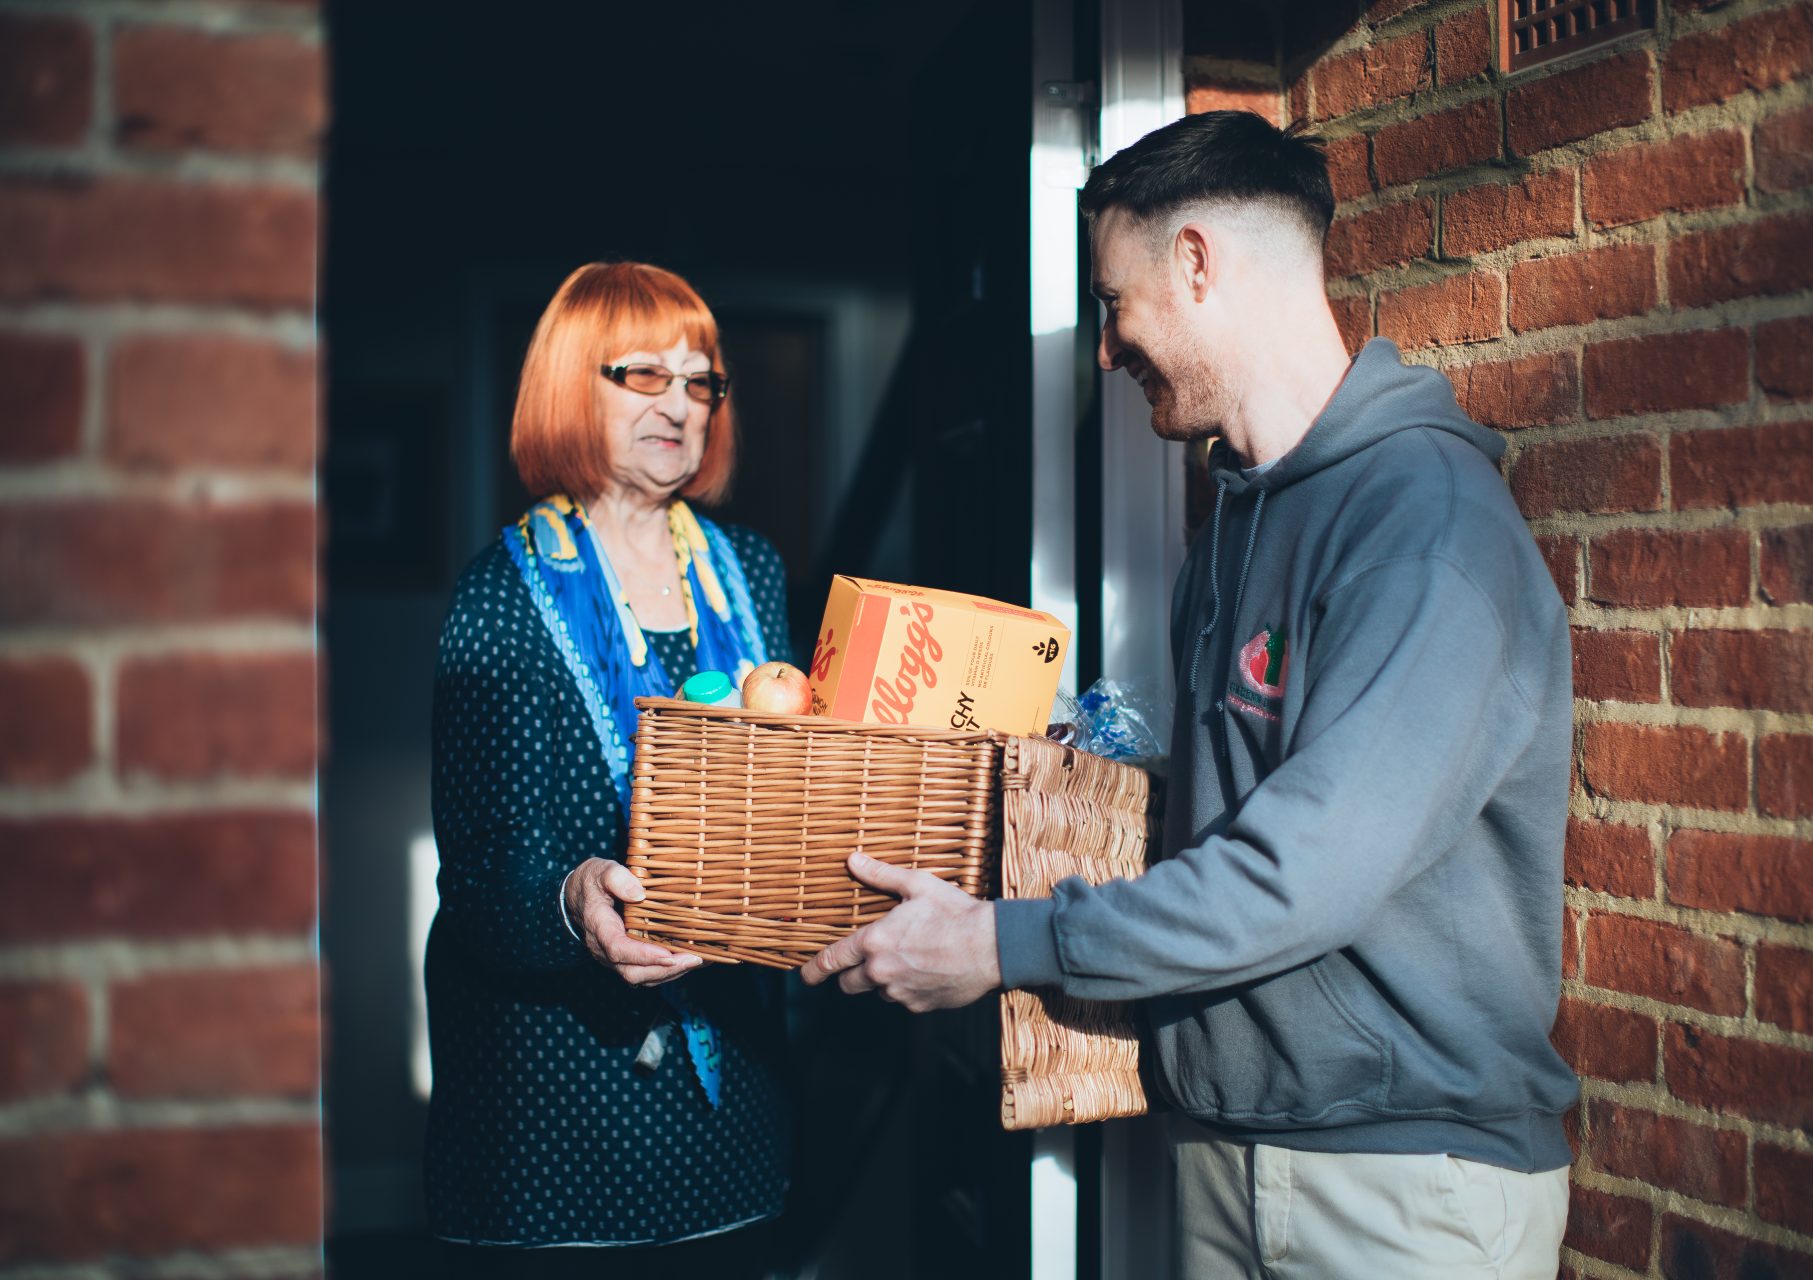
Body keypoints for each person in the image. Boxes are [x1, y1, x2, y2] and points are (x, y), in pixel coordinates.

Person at [802, 111, 1579, 1278]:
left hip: (1402, 1187)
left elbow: (1295, 871)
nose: (1106, 349)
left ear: (1198, 261)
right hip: (1229, 1150)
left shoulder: (1425, 532)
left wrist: (1003, 941)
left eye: (1113, 302)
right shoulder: (1235, 520)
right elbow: (1232, 810)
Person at [428, 261, 791, 1278]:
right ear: (571, 387)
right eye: (644, 375)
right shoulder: (500, 592)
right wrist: (575, 897)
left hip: (733, 1108)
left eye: (701, 380)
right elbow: (481, 873)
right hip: (555, 1118)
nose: (679, 405)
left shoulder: (751, 569)